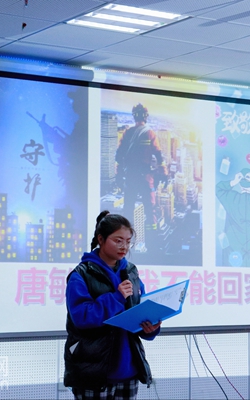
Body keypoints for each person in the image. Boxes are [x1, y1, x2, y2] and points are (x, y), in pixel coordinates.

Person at [64, 211, 161, 400]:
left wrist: (150, 328)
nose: (124, 246)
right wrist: (116, 297)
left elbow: (138, 311)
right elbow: (82, 317)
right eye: (118, 241)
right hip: (93, 372)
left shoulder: (131, 272)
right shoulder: (81, 275)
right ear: (101, 239)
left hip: (129, 371)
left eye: (128, 241)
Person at [115, 103, 167, 240]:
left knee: (128, 209)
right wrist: (164, 174)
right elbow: (159, 156)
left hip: (130, 177)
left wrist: (118, 175)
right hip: (145, 177)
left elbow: (119, 156)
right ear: (146, 116)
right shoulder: (150, 133)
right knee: (150, 210)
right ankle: (152, 240)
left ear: (134, 116)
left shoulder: (128, 133)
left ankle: (127, 241)